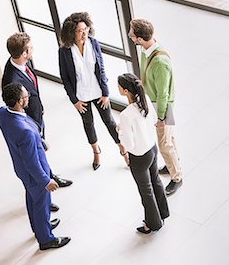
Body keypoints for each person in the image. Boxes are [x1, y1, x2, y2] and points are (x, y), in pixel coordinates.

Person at [2, 32, 73, 213]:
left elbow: (32, 91)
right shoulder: (11, 80)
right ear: (24, 53)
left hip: (36, 116)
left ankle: (50, 176)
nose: (33, 50)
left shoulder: (25, 63)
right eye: (31, 48)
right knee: (36, 157)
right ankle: (45, 192)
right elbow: (17, 109)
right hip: (29, 125)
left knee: (41, 155)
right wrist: (36, 132)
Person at [0, 83, 71, 250]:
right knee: (41, 204)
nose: (28, 98)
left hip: (21, 169)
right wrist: (46, 180)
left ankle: (40, 227)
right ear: (19, 101)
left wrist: (40, 141)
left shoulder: (2, 113)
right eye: (25, 97)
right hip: (34, 174)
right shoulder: (25, 132)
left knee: (32, 200)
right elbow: (32, 163)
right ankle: (45, 239)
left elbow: (22, 135)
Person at [59, 12, 124, 170]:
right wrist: (74, 100)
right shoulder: (64, 51)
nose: (84, 33)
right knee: (88, 123)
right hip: (81, 96)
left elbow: (101, 69)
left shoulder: (93, 43)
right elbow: (65, 78)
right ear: (71, 33)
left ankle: (123, 149)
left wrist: (106, 93)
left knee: (109, 121)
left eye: (86, 29)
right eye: (79, 31)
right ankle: (96, 151)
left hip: (98, 92)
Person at [128, 19, 183, 196]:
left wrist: (161, 118)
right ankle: (171, 165)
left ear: (139, 38)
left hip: (162, 107)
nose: (129, 34)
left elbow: (163, 95)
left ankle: (177, 178)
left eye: (131, 32)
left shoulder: (159, 61)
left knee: (164, 144)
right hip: (154, 105)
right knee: (169, 140)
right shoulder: (146, 49)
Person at [117, 73, 169, 233]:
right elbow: (153, 120)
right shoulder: (144, 100)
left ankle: (152, 224)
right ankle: (163, 212)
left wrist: (119, 131)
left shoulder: (126, 115)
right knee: (156, 181)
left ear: (125, 91)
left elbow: (128, 143)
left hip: (139, 156)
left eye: (119, 86)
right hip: (152, 149)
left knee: (145, 191)